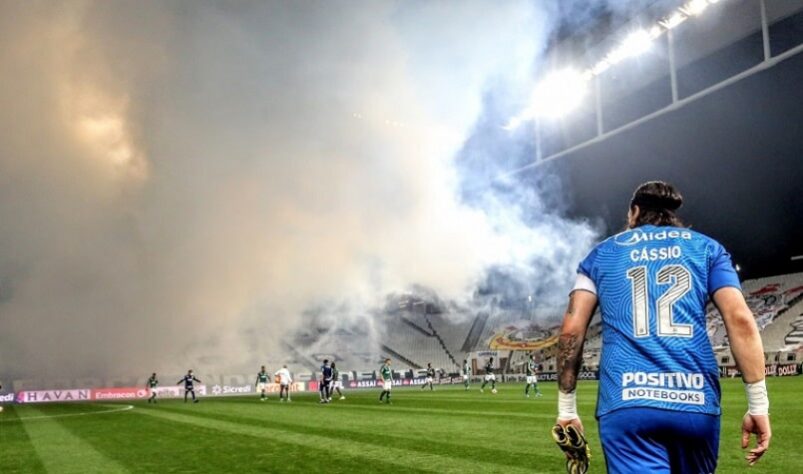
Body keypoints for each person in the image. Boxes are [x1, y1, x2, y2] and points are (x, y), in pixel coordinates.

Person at [555, 181, 771, 473]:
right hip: (696, 402)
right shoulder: (707, 248)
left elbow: (571, 331)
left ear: (634, 212)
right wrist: (758, 404)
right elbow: (741, 320)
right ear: (672, 213)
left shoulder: (601, 254)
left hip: (628, 402)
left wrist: (566, 409)